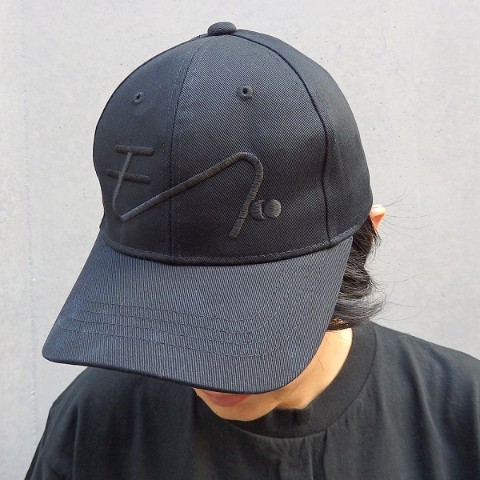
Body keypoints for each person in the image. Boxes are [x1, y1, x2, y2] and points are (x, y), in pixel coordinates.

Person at [26, 22, 479, 479]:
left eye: (243, 309)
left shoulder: (463, 417)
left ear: (367, 237)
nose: (203, 367)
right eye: (161, 307)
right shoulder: (93, 423)